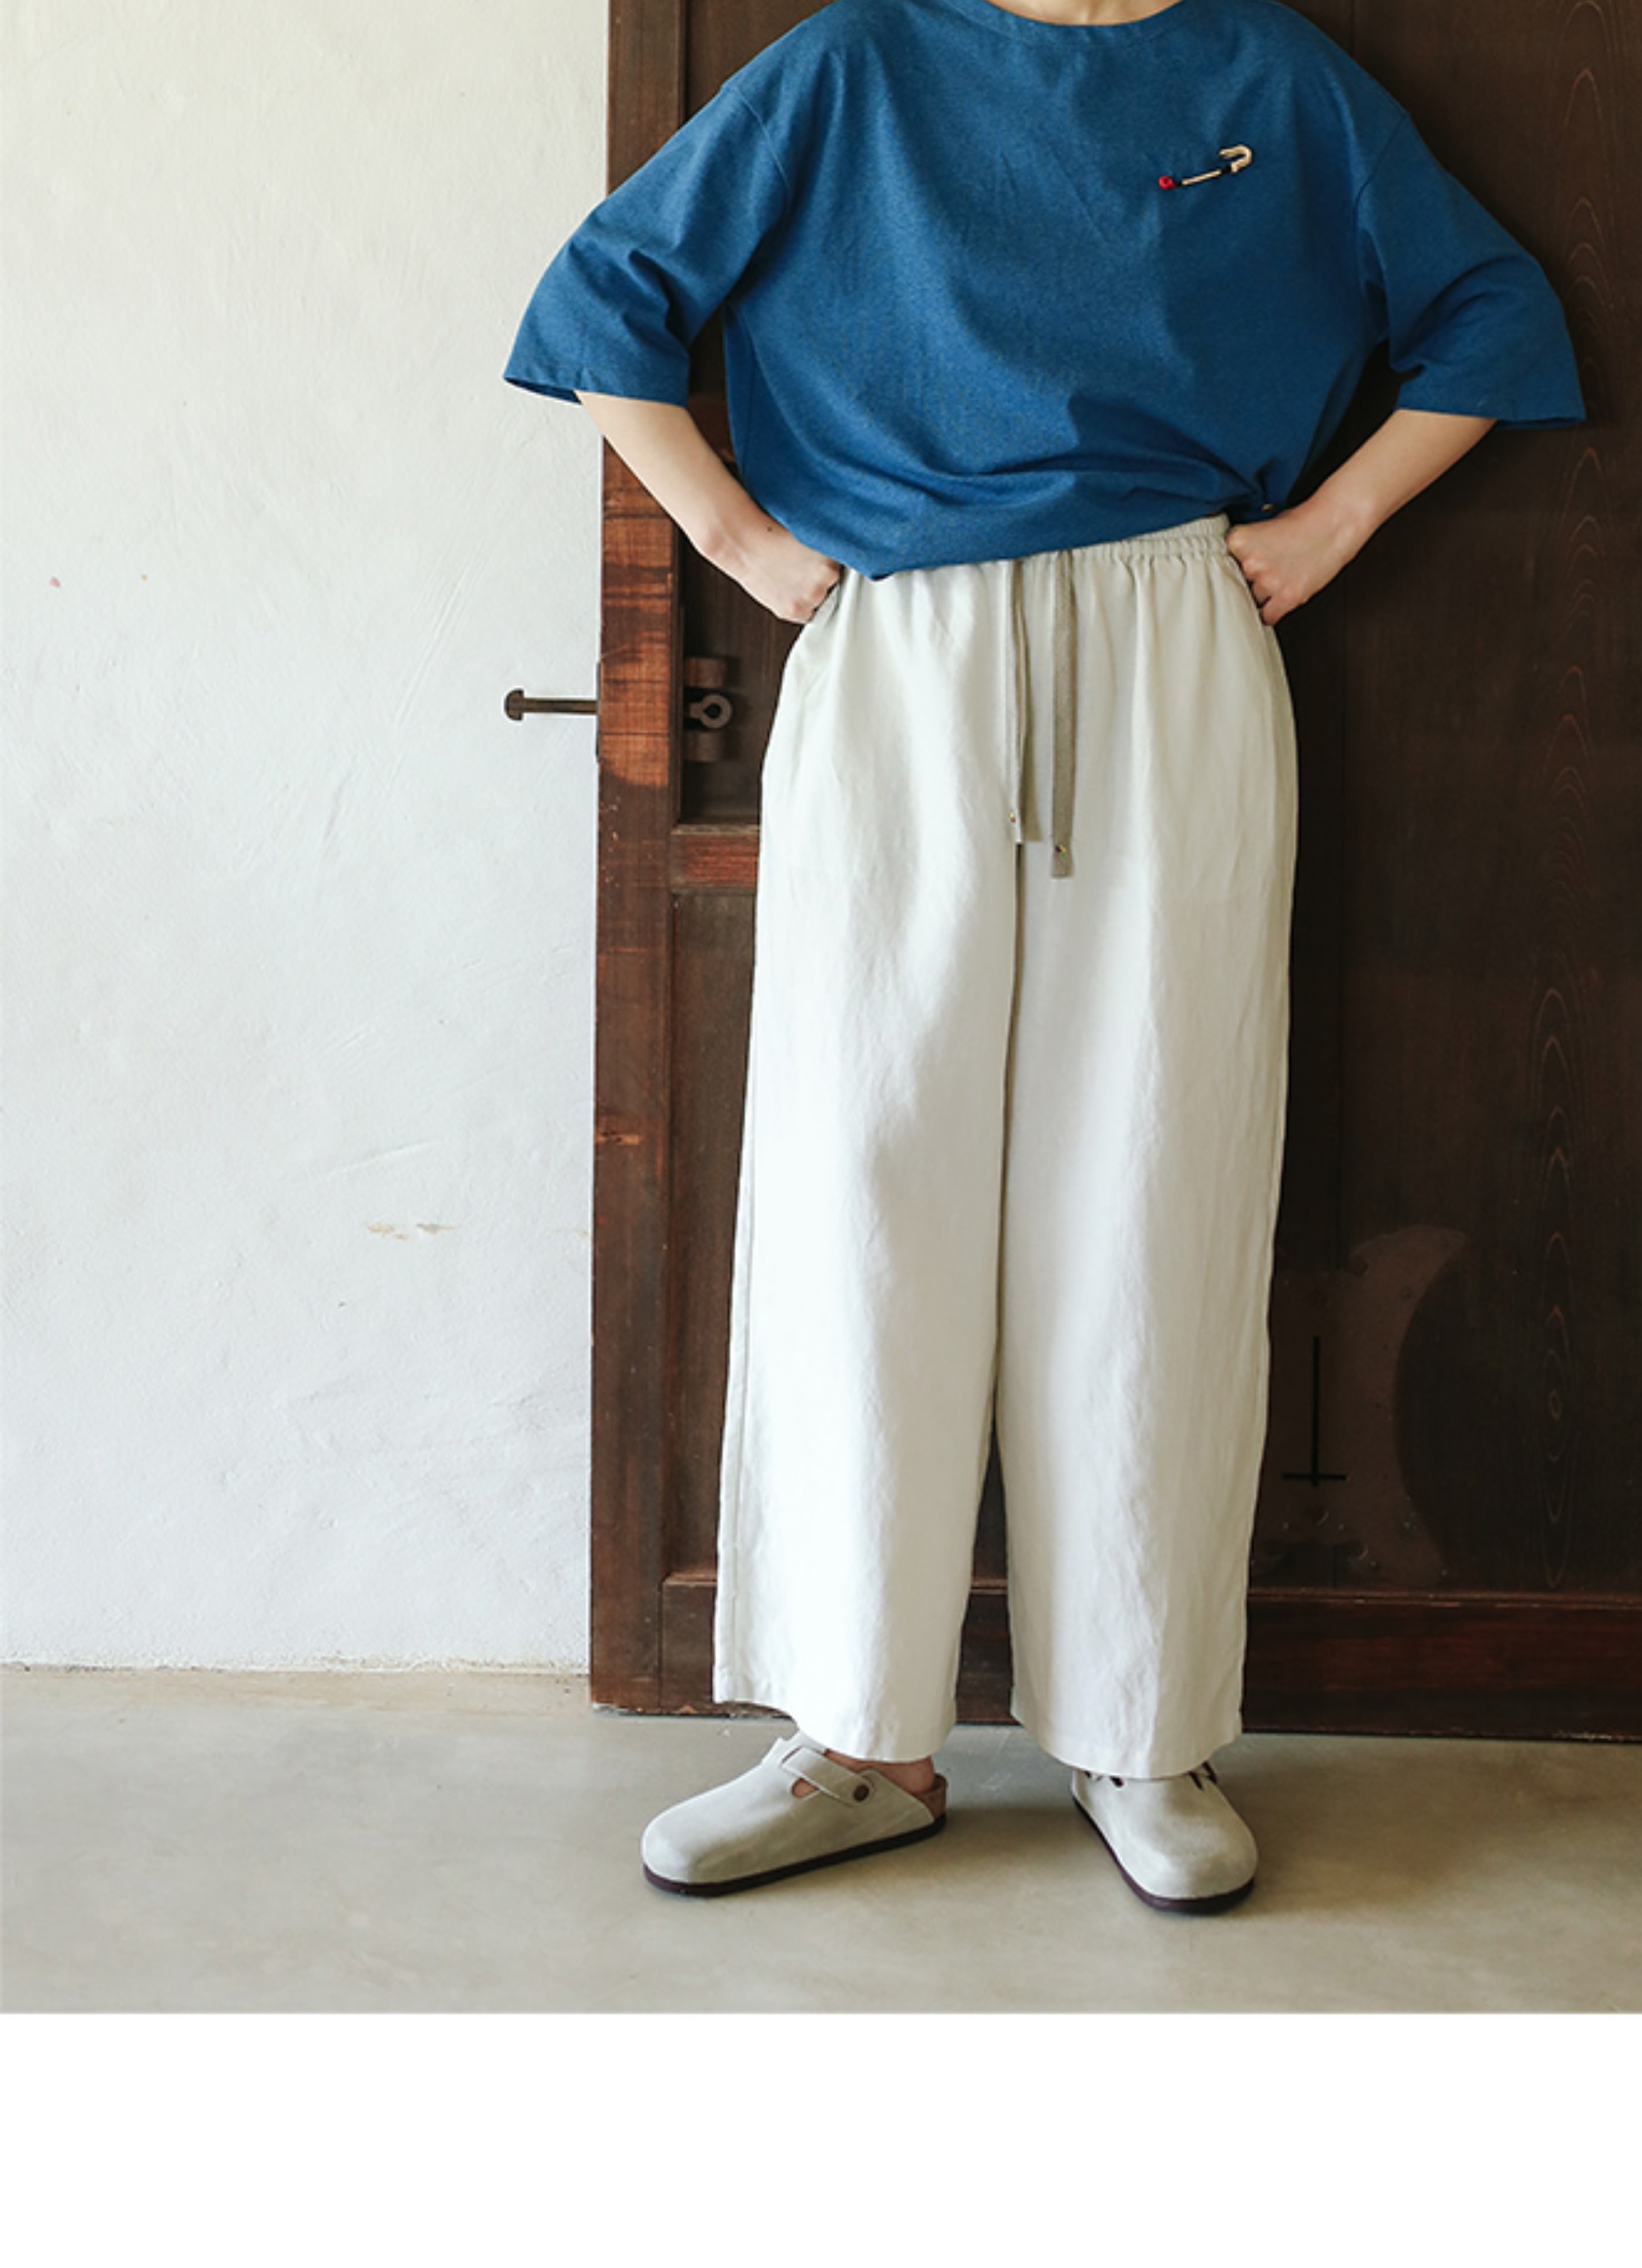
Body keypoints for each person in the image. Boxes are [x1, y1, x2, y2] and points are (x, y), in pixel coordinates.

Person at [505, 0, 1585, 1912]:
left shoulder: (1267, 78)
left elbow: (1488, 315)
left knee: (1153, 1171)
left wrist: (1334, 522)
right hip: (897, 639)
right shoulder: (854, 64)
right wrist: (740, 543)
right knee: (862, 1166)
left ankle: (1140, 1726)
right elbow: (603, 306)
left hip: (1175, 627)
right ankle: (854, 1734)